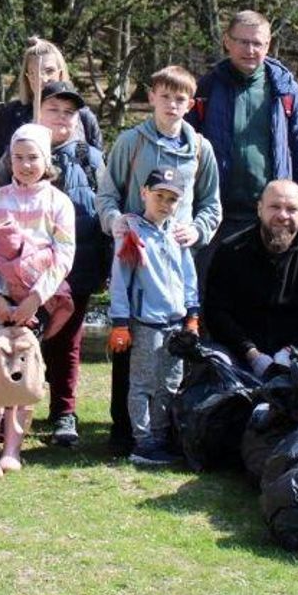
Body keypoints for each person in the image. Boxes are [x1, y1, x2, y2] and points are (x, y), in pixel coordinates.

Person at [96, 64, 221, 454]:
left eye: (180, 99)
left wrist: (198, 230)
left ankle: (165, 435)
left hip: (177, 260)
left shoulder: (200, 148)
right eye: (164, 96)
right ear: (151, 97)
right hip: (136, 256)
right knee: (130, 353)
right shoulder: (131, 142)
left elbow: (212, 204)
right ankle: (127, 434)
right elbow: (107, 195)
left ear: (190, 104)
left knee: (171, 361)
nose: (171, 105)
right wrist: (116, 222)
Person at [0, 81, 109, 447]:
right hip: (15, 275)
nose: (62, 118)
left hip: (74, 266)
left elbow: (103, 210)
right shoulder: (18, 155)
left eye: (69, 112)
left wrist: (102, 265)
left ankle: (63, 412)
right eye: (53, 109)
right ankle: (11, 410)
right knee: (17, 342)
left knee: (67, 344)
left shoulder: (90, 157)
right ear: (39, 112)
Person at [0, 123, 75, 480]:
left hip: (37, 302)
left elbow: (64, 255)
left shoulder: (59, 203)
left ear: (46, 160)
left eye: (33, 158)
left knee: (23, 370)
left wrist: (35, 299)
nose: (26, 164)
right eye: (19, 157)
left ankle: (12, 447)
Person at [187, 11, 298, 283]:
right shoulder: (206, 88)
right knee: (210, 296)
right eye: (242, 42)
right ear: (227, 42)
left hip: (271, 215)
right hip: (215, 214)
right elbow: (184, 151)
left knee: (268, 297)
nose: (250, 50)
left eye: (258, 43)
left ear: (268, 45)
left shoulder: (287, 92)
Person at [203, 179, 298, 378]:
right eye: (275, 207)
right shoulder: (230, 252)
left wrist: (292, 351)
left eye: (291, 209)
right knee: (212, 364)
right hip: (241, 353)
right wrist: (251, 353)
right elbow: (215, 312)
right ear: (259, 209)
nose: (282, 215)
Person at [107, 168, 199, 468]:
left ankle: (161, 437)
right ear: (145, 192)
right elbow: (120, 279)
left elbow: (188, 277)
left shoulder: (177, 234)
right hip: (145, 322)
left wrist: (192, 314)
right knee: (143, 383)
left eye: (172, 199)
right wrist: (120, 321)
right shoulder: (131, 232)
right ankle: (142, 440)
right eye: (159, 195)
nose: (164, 203)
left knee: (169, 383)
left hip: (175, 323)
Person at [0, 37, 102, 191]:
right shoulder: (11, 114)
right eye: (34, 72)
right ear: (27, 78)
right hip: (18, 207)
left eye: (49, 71)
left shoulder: (83, 116)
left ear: (60, 72)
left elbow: (98, 169)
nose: (43, 78)